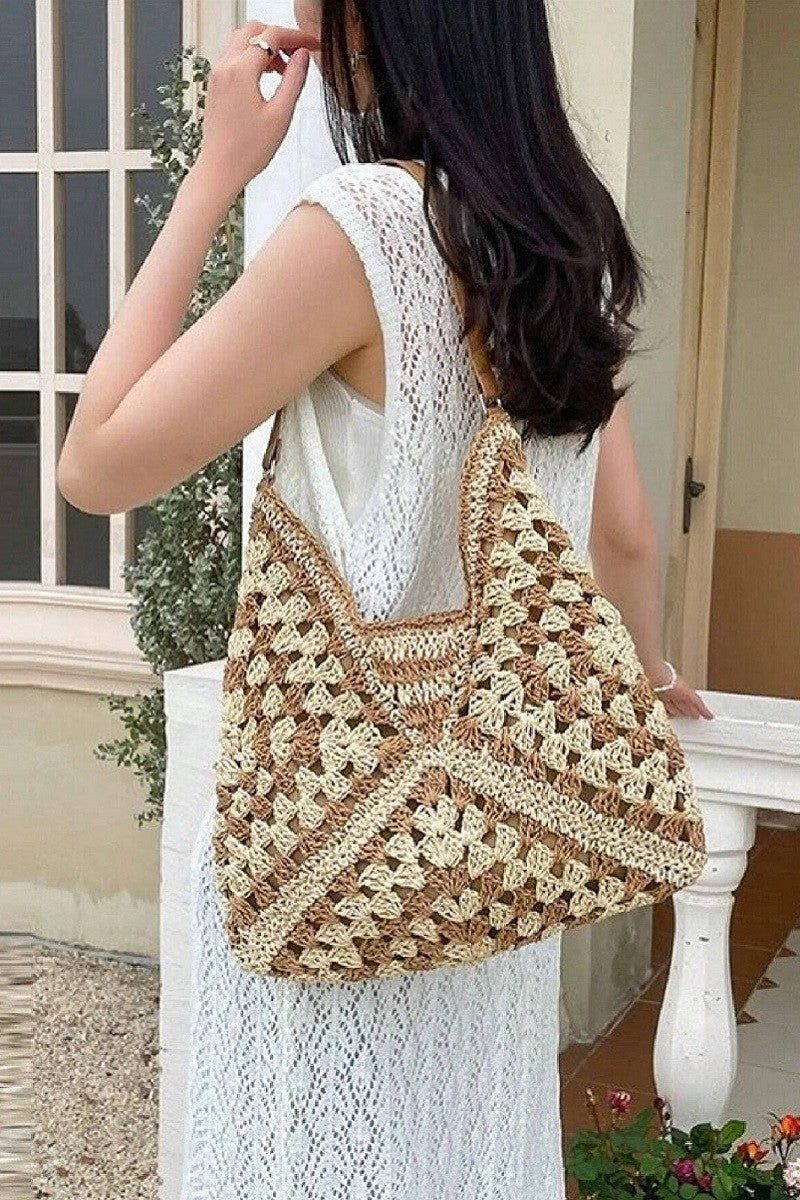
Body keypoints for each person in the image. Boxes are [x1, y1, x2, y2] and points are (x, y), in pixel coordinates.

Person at [58, 2, 713, 1196]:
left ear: (370, 25)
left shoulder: (359, 229)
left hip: (335, 845)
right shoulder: (564, 237)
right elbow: (621, 533)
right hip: (488, 861)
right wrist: (649, 674)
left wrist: (213, 176)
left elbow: (96, 467)